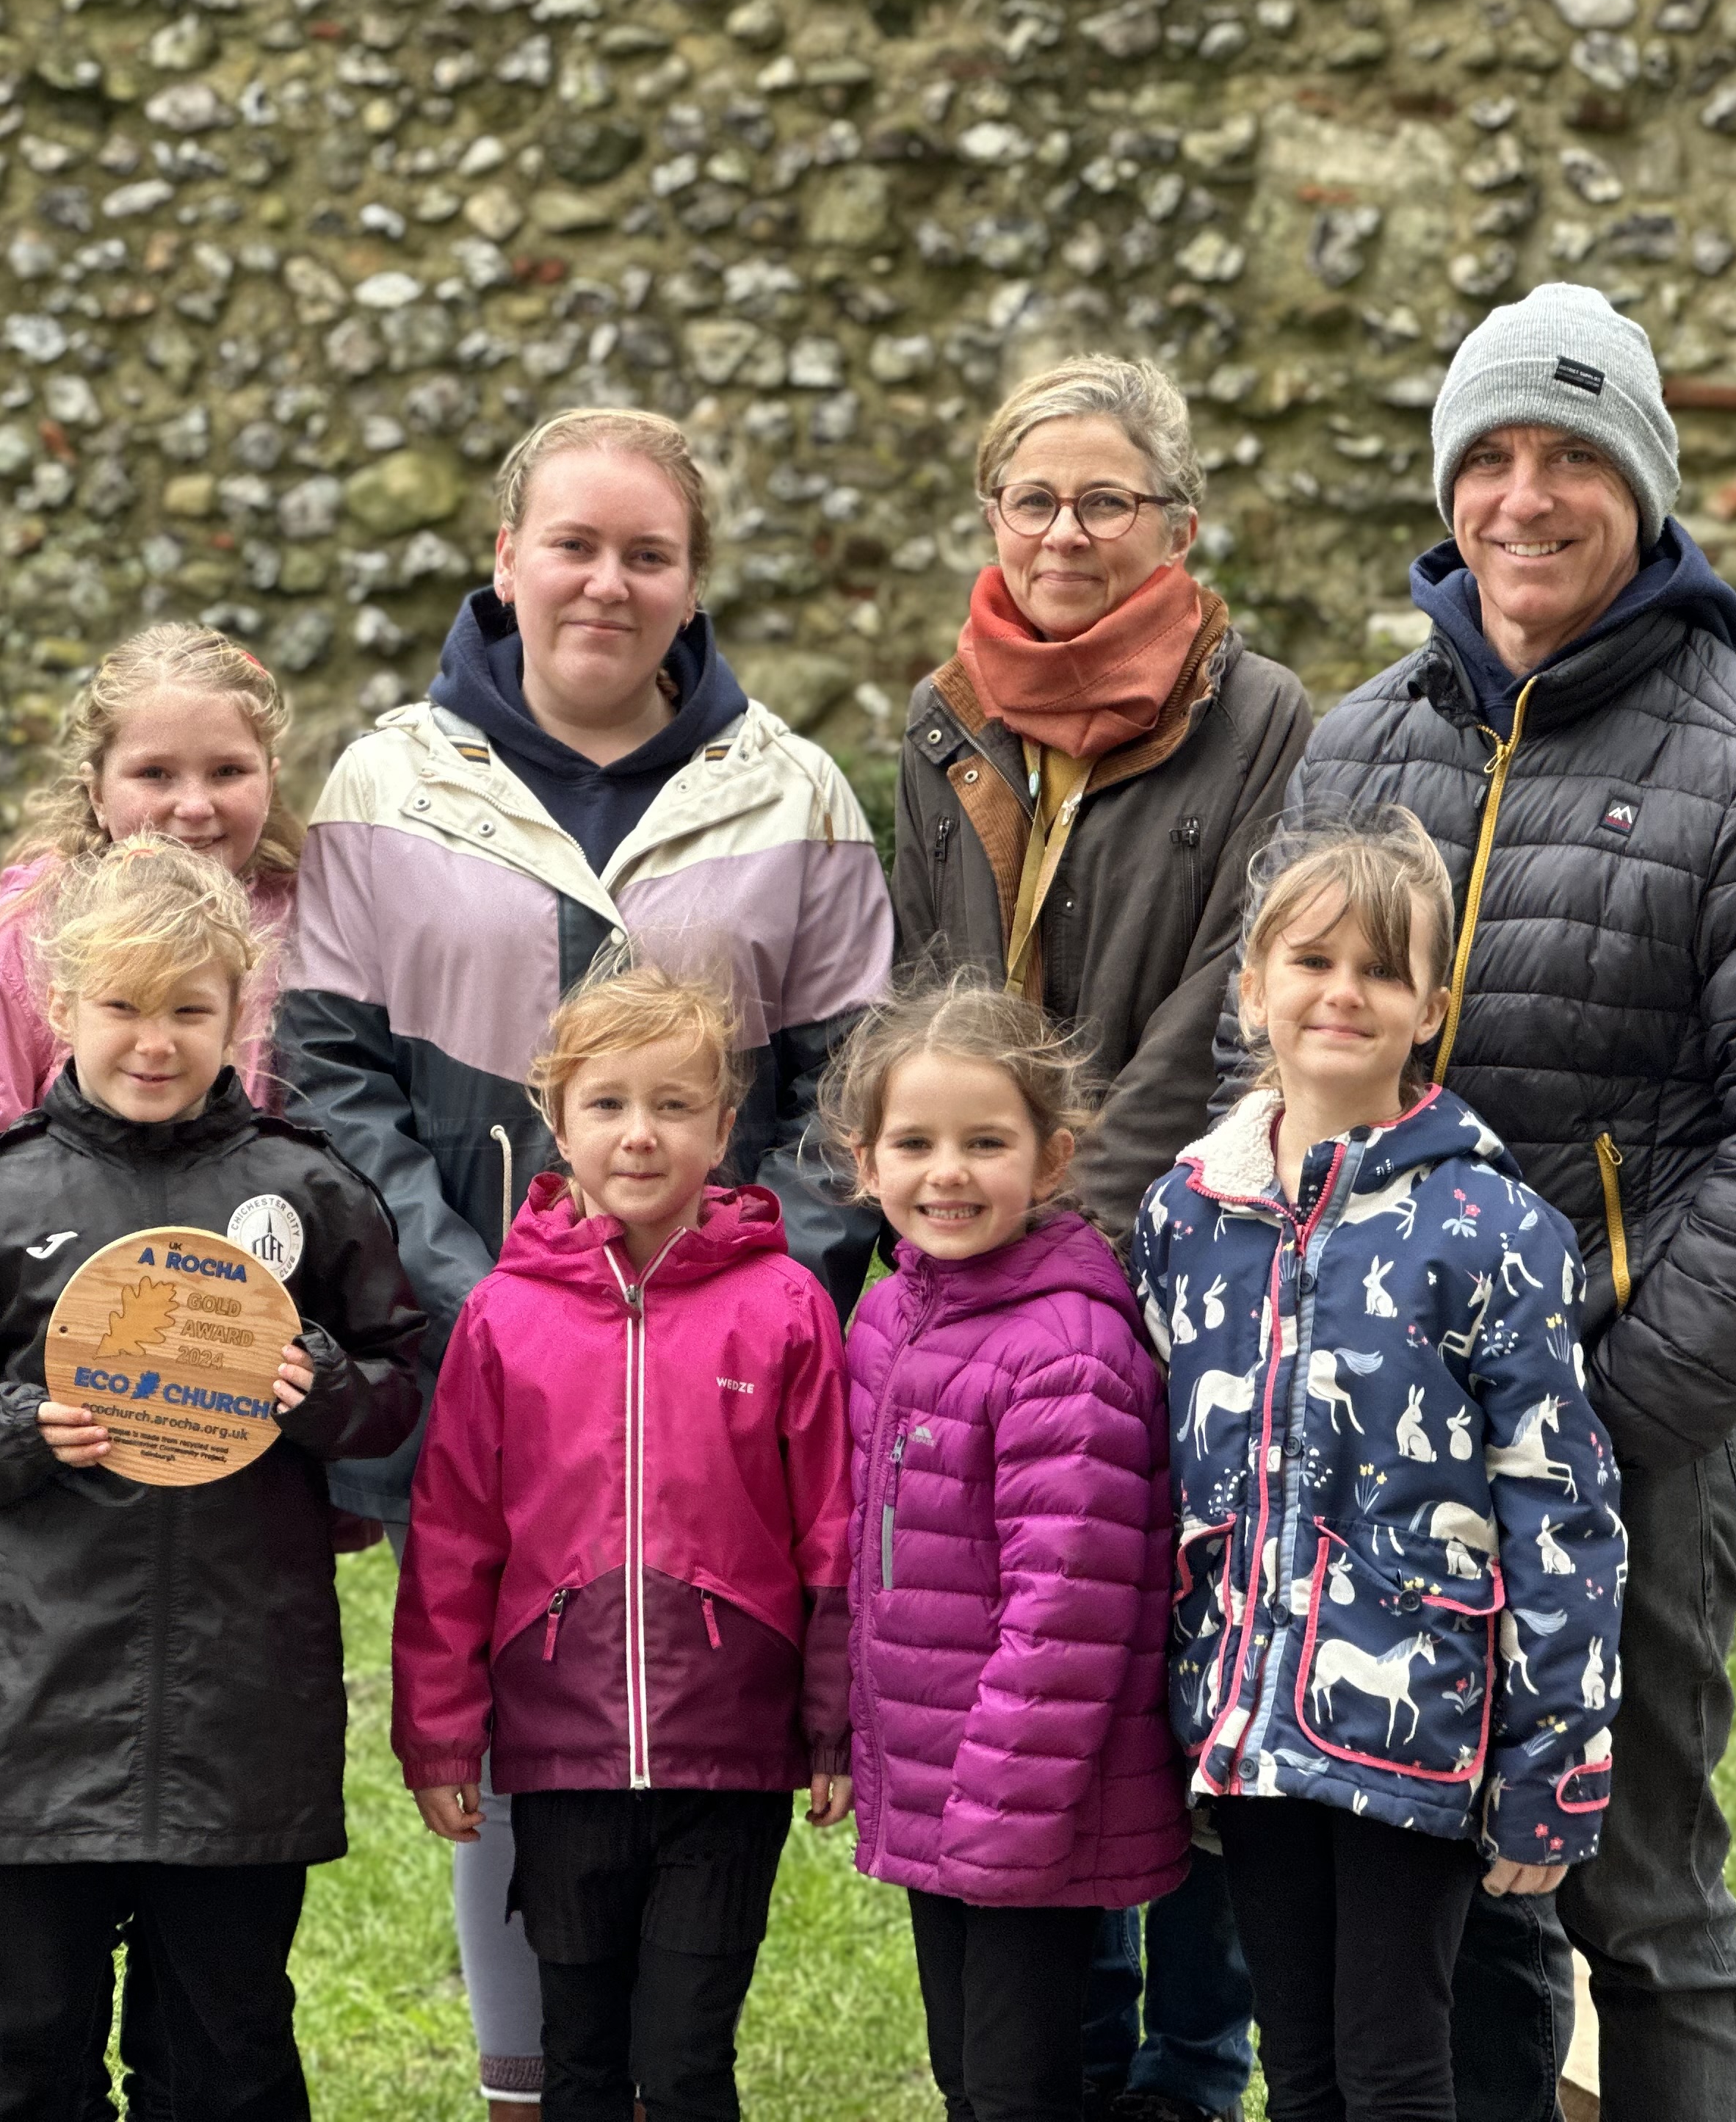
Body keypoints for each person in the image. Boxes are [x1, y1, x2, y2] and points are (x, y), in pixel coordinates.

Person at [1237, 284, 1736, 2122]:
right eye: (1492, 459)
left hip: (1625, 1427)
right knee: (1450, 1889)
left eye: (1575, 460)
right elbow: (1290, 1042)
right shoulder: (1366, 742)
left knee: (1640, 1896)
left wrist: (1599, 1423)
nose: (1526, 501)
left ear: (1649, 490)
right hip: (1378, 1439)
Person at [283, 407, 891, 2112]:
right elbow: (330, 1080)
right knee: (512, 1696)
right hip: (477, 1357)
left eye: (648, 553)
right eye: (574, 545)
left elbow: (849, 1103)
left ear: (693, 579)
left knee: (688, 1728)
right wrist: (479, 1307)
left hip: (711, 1387)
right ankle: (525, 2078)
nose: (607, 583)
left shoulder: (795, 791)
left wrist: (760, 1291)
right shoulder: (389, 782)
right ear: (505, 559)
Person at [891, 353, 1302, 2122]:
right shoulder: (940, 719)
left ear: (1177, 525)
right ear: (993, 515)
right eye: (1033, 499)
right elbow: (925, 985)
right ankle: (1069, 2045)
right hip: (986, 1268)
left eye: (1106, 500)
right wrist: (960, 1198)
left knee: (1180, 1655)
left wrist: (1076, 1206)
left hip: (1185, 1258)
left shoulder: (1265, 718)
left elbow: (1234, 1001)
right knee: (1031, 1648)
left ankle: (1194, 2071)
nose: (1066, 533)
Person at [0, 837, 423, 2122]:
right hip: (33, 1720)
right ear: (63, 1009)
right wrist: (12, 1428)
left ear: (243, 1010)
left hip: (239, 1718)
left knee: (225, 2056)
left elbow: (401, 1377)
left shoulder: (307, 1191)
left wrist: (324, 1390)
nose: (155, 1041)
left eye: (189, 1008)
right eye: (121, 1006)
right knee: (19, 2057)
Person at [1150, 814, 1627, 2122]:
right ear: (1254, 987)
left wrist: (1557, 1759)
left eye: (1381, 969)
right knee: (1294, 2059)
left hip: (1413, 1726)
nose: (1342, 992)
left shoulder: (1492, 1229)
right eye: (1310, 961)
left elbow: (1563, 1509)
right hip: (1246, 1720)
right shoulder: (1190, 1214)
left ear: (1431, 1007)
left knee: (1396, 2060)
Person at [391, 965, 853, 2122]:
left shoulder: (787, 1304)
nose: (640, 1136)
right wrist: (441, 1735)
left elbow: (832, 1534)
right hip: (560, 1750)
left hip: (727, 1754)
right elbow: (454, 1539)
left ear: (724, 1128)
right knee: (581, 2062)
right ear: (557, 1119)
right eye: (607, 1105)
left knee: (689, 2062)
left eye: (674, 1106)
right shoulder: (504, 1314)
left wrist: (834, 1723)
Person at [822, 978, 1185, 2122]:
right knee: (967, 2077)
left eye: (987, 1142)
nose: (948, 1173)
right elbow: (860, 1549)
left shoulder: (1065, 1350)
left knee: (1020, 2086)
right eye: (915, 1143)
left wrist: (1001, 1815)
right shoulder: (888, 1318)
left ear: (1055, 1156)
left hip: (1028, 1806)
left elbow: (1069, 1611)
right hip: (934, 1783)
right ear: (864, 1162)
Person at [0, 622, 310, 1569]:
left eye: (227, 771)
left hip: (248, 1387)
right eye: (154, 774)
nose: (193, 807)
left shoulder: (312, 927)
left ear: (271, 773)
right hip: (63, 1392)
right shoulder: (21, 940)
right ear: (95, 784)